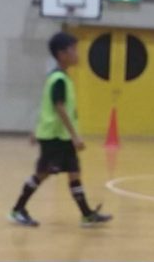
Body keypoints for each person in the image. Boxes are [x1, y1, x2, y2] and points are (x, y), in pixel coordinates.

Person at [8, 33, 112, 228]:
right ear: (62, 54)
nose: (77, 54)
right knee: (42, 174)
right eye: (74, 50)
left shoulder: (61, 77)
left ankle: (87, 214)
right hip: (55, 137)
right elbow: (58, 107)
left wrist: (37, 129)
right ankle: (17, 209)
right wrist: (75, 136)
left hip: (61, 137)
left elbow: (45, 106)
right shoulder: (58, 79)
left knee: (74, 172)